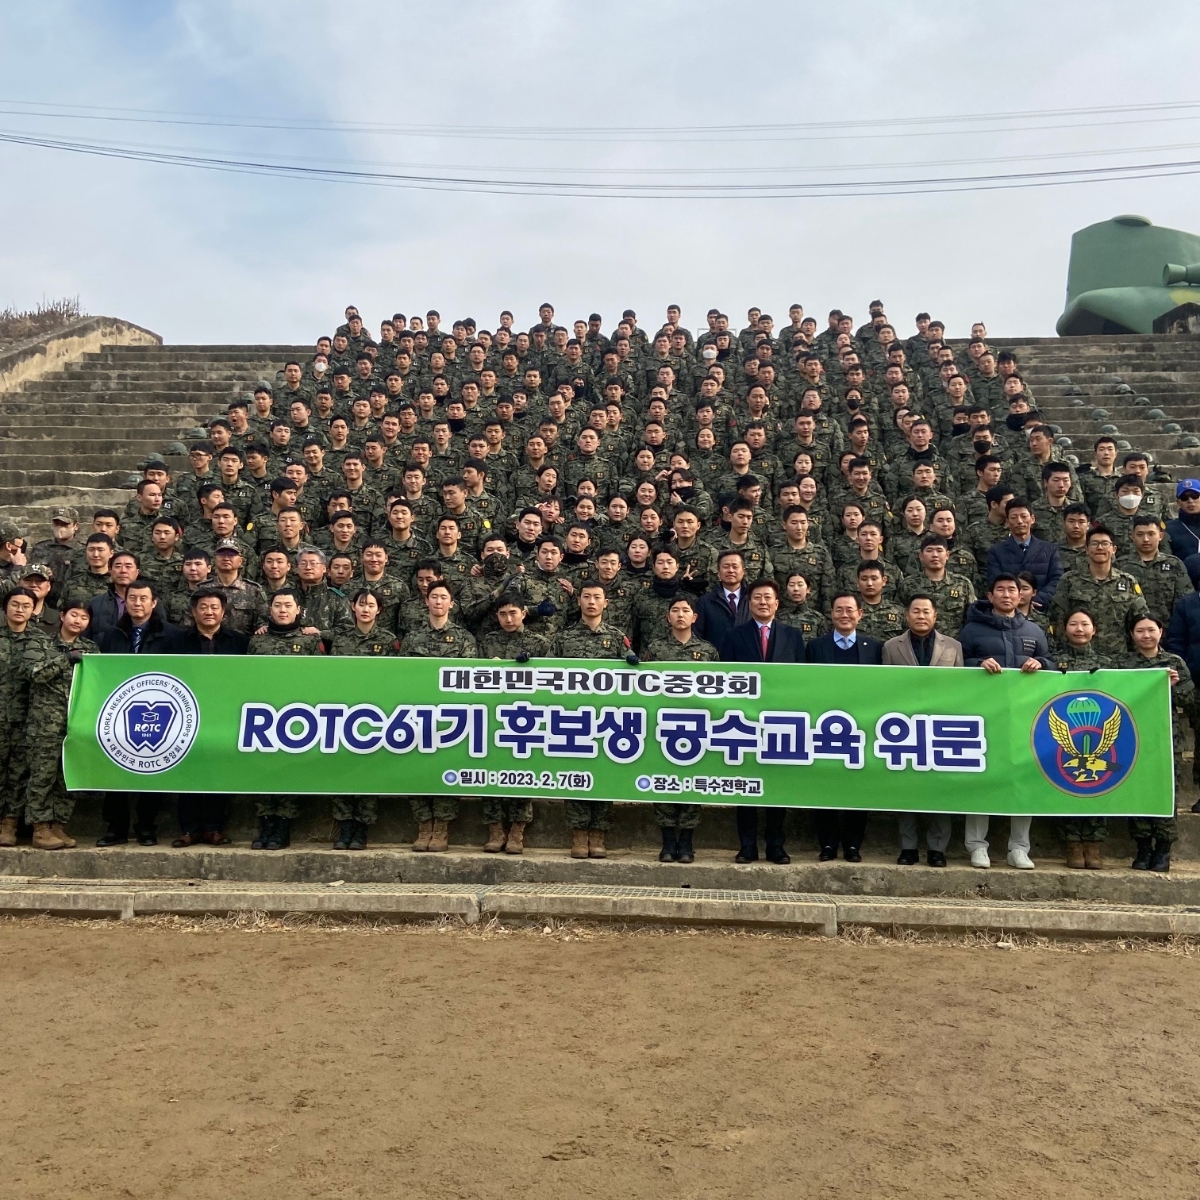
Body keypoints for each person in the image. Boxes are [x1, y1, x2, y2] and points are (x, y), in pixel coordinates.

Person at [957, 575, 1053, 869]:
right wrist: (977, 665)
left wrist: (1042, 664)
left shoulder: (1034, 630)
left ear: (1022, 594)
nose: (1008, 594)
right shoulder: (972, 630)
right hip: (983, 715)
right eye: (1001, 589)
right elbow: (957, 666)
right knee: (981, 777)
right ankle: (976, 845)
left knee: (1024, 779)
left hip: (1024, 716)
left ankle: (1019, 848)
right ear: (990, 594)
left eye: (1013, 589)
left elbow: (1050, 662)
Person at [721, 579, 804, 864]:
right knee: (745, 786)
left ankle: (775, 846)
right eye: (757, 598)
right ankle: (746, 846)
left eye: (768, 597)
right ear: (749, 602)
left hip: (781, 722)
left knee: (776, 788)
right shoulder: (734, 636)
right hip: (744, 723)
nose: (763, 602)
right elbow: (727, 681)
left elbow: (802, 681)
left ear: (777, 603)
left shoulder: (793, 636)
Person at [94, 580, 179, 847]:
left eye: (144, 599)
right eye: (133, 599)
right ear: (125, 602)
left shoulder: (173, 636)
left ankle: (146, 827)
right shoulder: (110, 635)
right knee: (114, 768)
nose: (138, 604)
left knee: (151, 770)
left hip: (158, 710)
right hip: (118, 711)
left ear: (154, 603)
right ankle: (116, 827)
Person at [881, 594, 964, 867]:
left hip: (940, 728)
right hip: (904, 728)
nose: (920, 615)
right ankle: (908, 847)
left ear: (935, 616)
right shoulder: (892, 647)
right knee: (907, 789)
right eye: (915, 611)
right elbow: (886, 687)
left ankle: (937, 848)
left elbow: (959, 689)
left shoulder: (953, 647)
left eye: (926, 611)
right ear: (907, 615)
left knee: (939, 790)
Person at [554, 581, 635, 859]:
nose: (591, 602)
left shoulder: (615, 638)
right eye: (586, 597)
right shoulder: (564, 638)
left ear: (606, 603)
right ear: (578, 601)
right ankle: (578, 835)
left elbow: (633, 676)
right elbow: (550, 675)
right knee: (575, 775)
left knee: (603, 775)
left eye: (597, 597)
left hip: (606, 720)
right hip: (573, 718)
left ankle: (598, 834)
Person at [166, 588, 248, 847]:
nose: (209, 611)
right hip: (186, 714)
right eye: (203, 607)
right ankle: (188, 829)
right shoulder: (177, 642)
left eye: (214, 607)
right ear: (193, 612)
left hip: (225, 714)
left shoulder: (239, 642)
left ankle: (214, 828)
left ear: (223, 612)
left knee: (218, 770)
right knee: (188, 770)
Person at [804, 593, 883, 862]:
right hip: (824, 725)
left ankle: (852, 845)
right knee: (824, 785)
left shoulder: (874, 647)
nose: (844, 614)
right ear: (831, 614)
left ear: (860, 614)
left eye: (850, 610)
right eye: (839, 610)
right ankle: (827, 844)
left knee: (856, 788)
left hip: (861, 727)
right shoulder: (816, 647)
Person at [642, 594, 720, 863]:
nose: (680, 615)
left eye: (685, 610)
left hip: (696, 728)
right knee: (662, 781)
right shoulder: (654, 649)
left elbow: (718, 691)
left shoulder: (708, 651)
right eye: (674, 610)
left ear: (694, 617)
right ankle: (667, 841)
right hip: (662, 725)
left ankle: (686, 842)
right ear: (668, 617)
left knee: (690, 783)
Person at [246, 587, 324, 850]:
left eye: (288, 605)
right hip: (263, 716)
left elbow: (320, 681)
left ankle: (283, 826)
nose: (282, 610)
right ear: (270, 609)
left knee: (288, 770)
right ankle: (266, 821)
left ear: (298, 610)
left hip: (298, 717)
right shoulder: (258, 641)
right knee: (262, 770)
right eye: (278, 605)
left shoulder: (310, 642)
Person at [22, 602, 99, 850]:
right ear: (63, 616)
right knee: (42, 775)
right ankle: (40, 828)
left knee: (67, 776)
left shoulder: (90, 649)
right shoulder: (42, 643)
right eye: (73, 615)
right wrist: (65, 660)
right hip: (45, 722)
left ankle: (58, 825)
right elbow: (34, 674)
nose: (78, 620)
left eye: (84, 617)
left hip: (75, 721)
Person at [1122, 613, 1193, 872]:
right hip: (1133, 738)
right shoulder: (1124, 665)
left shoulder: (1173, 663)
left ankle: (1163, 848)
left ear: (1160, 632)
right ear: (1132, 635)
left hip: (1166, 737)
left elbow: (1189, 700)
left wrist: (1173, 686)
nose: (1146, 635)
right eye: (1140, 631)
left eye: (1151, 630)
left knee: (1165, 793)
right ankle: (1142, 847)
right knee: (1137, 791)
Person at [328, 590, 399, 850]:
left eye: (371, 605)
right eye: (361, 604)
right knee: (341, 768)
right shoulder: (342, 639)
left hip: (375, 714)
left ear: (379, 609)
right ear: (352, 607)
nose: (365, 609)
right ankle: (344, 825)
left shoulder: (388, 640)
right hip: (343, 712)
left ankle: (362, 828)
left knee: (367, 770)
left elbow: (392, 679)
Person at [1052, 609, 1112, 869]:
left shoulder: (1109, 663)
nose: (1079, 629)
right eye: (1073, 624)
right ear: (1064, 629)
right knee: (1068, 785)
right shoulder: (1054, 661)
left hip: (1100, 736)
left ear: (1094, 629)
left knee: (1097, 786)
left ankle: (1094, 843)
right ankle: (1073, 842)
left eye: (1085, 624)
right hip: (1065, 737)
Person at [0, 587, 54, 848]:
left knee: (18, 773)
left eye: (25, 605)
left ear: (34, 610)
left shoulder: (42, 641)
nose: (19, 609)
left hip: (26, 718)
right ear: (5, 607)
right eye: (14, 604)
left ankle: (9, 824)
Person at [984, 498, 1063, 610]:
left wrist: (1037, 599)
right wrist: (1015, 600)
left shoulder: (1049, 549)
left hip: (1042, 609)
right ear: (1007, 521)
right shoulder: (996, 551)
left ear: (1032, 519)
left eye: (1024, 516)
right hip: (1008, 610)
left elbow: (1057, 579)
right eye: (1014, 517)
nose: (1019, 521)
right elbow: (995, 581)